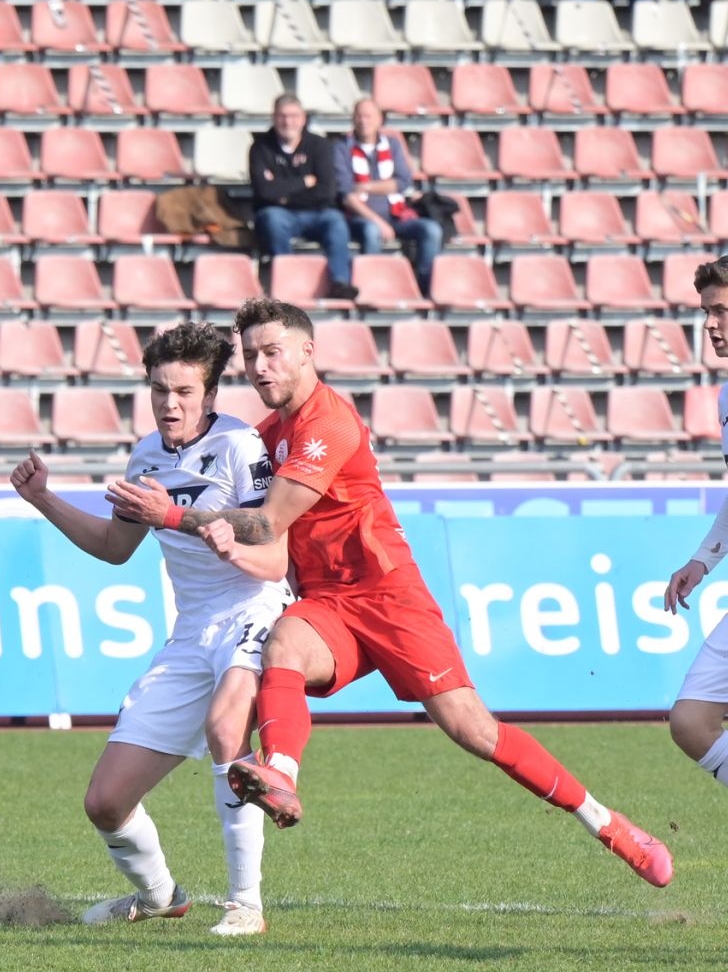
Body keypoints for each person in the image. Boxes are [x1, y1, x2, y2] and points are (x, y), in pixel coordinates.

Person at [107, 297, 674, 890]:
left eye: (272, 352)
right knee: (284, 646)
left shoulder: (329, 422)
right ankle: (279, 775)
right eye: (251, 356)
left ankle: (609, 825)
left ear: (307, 352)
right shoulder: (263, 436)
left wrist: (172, 516)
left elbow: (269, 525)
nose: (260, 367)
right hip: (327, 601)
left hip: (388, 595)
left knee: (476, 732)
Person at [12, 323, 290, 936]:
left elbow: (275, 559)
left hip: (254, 610)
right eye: (160, 390)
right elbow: (115, 547)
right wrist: (44, 500)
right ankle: (162, 896)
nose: (171, 404)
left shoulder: (242, 449)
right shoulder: (145, 455)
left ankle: (247, 903)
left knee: (226, 732)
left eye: (185, 392)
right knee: (105, 802)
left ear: (211, 395)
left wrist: (206, 528)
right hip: (191, 634)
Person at [662, 258, 728, 782]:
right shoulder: (727, 395)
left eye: (722, 311)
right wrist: (702, 560)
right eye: (708, 312)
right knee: (692, 721)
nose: (710, 323)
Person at [250, 95, 358, 303]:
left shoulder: (320, 146)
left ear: (303, 119)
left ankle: (340, 282)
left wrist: (282, 193)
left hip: (316, 213)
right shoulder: (260, 148)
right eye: (282, 116)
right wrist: (305, 182)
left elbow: (327, 191)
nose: (288, 122)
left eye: (293, 116)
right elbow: (264, 191)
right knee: (272, 218)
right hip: (278, 214)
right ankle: (287, 280)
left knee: (336, 221)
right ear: (273, 118)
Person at [337, 98, 446, 298]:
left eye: (368, 116)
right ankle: (374, 288)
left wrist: (367, 186)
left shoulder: (392, 145)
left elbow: (403, 181)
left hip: (396, 215)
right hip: (361, 218)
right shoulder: (342, 148)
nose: (363, 121)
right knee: (371, 231)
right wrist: (378, 220)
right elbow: (347, 194)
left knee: (431, 230)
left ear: (380, 120)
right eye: (359, 116)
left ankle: (423, 290)